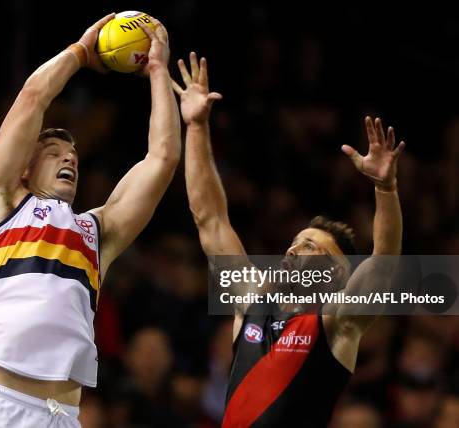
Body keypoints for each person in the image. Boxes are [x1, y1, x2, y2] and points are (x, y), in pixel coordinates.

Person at [0, 13, 180, 427]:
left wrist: (159, 71)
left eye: (72, 155)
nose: (69, 157)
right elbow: (33, 96)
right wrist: (80, 53)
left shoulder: (96, 232)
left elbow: (161, 159)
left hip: (60, 415)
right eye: (53, 151)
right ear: (23, 169)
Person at [172, 52, 405, 427]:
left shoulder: (336, 324)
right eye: (296, 241)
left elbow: (384, 261)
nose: (295, 249)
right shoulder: (252, 303)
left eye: (312, 247)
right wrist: (197, 127)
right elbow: (210, 219)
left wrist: (385, 188)